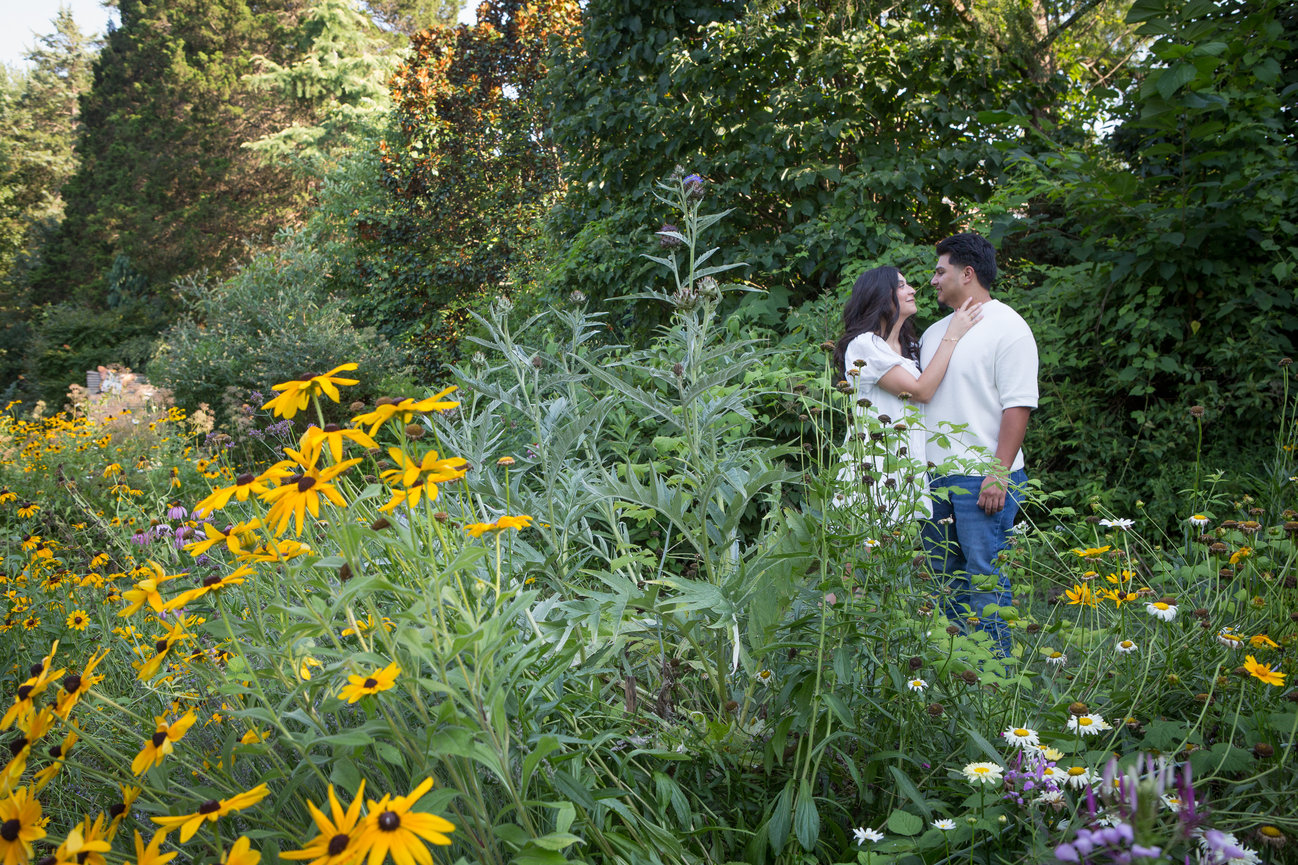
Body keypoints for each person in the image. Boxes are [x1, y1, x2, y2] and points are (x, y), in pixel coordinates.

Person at [918, 233, 1038, 659]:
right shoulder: (935, 334)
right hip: (934, 480)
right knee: (942, 578)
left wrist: (999, 473)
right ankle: (955, 672)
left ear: (967, 274)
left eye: (940, 271)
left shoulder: (1009, 327)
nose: (932, 280)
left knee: (985, 578)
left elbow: (1018, 405)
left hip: (983, 480)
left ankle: (994, 677)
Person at [832, 265, 983, 520]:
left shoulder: (910, 346)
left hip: (904, 470)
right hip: (874, 470)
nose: (912, 290)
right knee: (865, 554)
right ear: (880, 296)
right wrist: (952, 335)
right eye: (901, 286)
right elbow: (920, 391)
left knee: (897, 557)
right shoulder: (865, 345)